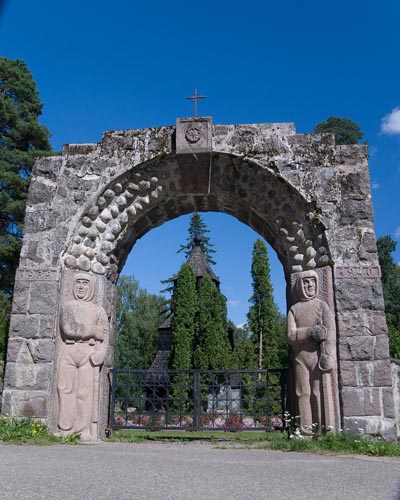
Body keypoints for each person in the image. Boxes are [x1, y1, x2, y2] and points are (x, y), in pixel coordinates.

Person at [56, 273, 109, 441]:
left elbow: (105, 334)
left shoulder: (98, 310)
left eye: (85, 283)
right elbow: (68, 329)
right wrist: (93, 331)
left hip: (89, 352)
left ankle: (82, 430)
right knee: (64, 389)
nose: (81, 287)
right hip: (69, 350)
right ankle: (65, 429)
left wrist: (101, 353)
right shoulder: (67, 307)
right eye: (78, 283)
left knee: (84, 393)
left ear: (91, 287)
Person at [287, 270, 335, 434]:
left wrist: (327, 354)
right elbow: (290, 335)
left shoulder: (322, 305)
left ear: (317, 283)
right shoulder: (294, 309)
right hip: (300, 357)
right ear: (299, 286)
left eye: (312, 282)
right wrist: (310, 332)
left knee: (317, 392)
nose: (309, 285)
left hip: (317, 356)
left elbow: (329, 333)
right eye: (305, 282)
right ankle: (305, 429)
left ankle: (323, 429)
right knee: (303, 392)